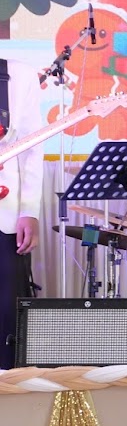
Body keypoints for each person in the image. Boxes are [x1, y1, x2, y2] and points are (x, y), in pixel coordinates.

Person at [0, 57, 42, 369]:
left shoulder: (19, 75)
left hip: (6, 215)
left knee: (6, 308)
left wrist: (29, 210)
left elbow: (32, 149)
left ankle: (7, 383)